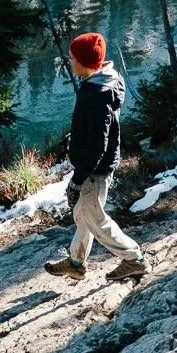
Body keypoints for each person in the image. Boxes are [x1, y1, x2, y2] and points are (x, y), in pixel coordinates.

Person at [45, 31, 148, 281]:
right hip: (97, 164)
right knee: (83, 214)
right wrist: (73, 139)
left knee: (95, 219)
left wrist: (78, 178)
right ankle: (77, 262)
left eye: (72, 58)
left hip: (95, 169)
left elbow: (97, 143)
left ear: (84, 62)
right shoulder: (104, 82)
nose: (70, 62)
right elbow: (97, 129)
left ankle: (134, 259)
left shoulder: (96, 95)